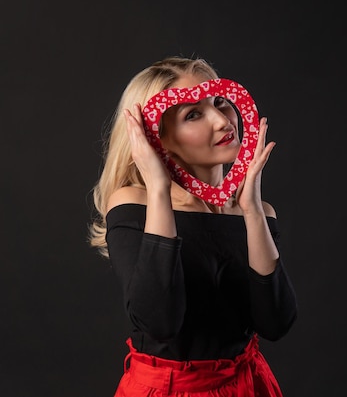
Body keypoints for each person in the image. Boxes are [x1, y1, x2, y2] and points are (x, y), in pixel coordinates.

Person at [88, 56, 298, 397]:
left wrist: (253, 211)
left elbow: (276, 322)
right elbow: (159, 322)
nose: (221, 120)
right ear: (157, 136)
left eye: (219, 103)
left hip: (248, 386)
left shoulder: (257, 212)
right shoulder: (133, 203)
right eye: (193, 114)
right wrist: (158, 189)